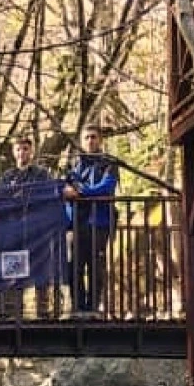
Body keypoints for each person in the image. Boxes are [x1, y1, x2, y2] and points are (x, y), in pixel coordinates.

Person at [63, 125, 119, 315]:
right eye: (86, 137)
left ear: (100, 139)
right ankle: (78, 308)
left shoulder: (109, 163)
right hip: (76, 222)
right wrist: (71, 192)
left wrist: (80, 192)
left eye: (93, 137)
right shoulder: (75, 165)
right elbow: (66, 187)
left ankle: (93, 307)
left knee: (95, 266)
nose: (90, 141)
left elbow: (106, 187)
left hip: (99, 221)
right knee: (74, 266)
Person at [0, 137, 54, 320]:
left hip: (37, 229)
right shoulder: (7, 176)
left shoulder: (41, 174)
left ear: (31, 151)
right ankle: (14, 313)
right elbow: (2, 199)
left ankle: (43, 312)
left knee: (41, 270)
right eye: (18, 149)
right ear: (13, 152)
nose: (22, 153)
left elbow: (47, 195)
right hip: (14, 230)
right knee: (14, 271)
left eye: (25, 149)